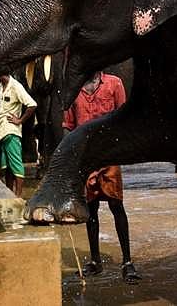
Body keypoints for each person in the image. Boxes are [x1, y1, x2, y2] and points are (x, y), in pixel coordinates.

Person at [63, 70, 142, 284]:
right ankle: (96, 260)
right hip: (87, 160)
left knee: (117, 206)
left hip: (109, 157)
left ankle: (127, 261)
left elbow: (125, 117)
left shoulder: (114, 84)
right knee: (91, 211)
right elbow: (68, 127)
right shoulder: (74, 90)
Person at [0, 74, 36, 197]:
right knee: (6, 166)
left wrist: (20, 120)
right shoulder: (1, 86)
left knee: (16, 164)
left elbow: (32, 104)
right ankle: (9, 192)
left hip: (11, 131)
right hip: (1, 131)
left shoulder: (16, 86)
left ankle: (18, 195)